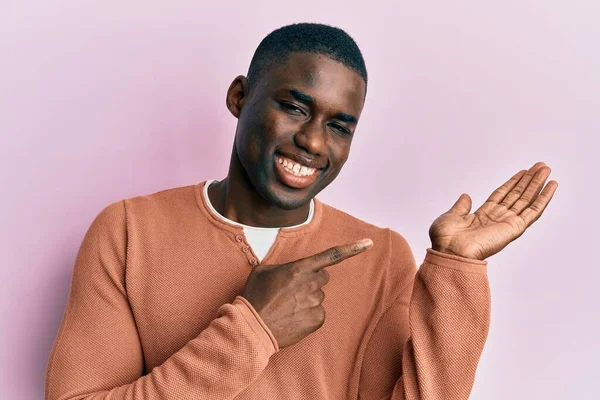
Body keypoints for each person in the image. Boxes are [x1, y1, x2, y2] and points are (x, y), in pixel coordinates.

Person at [44, 23, 558, 400]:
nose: (313, 141)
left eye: (339, 126)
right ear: (239, 97)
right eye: (293, 107)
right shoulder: (129, 231)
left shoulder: (379, 256)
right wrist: (250, 330)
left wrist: (457, 269)